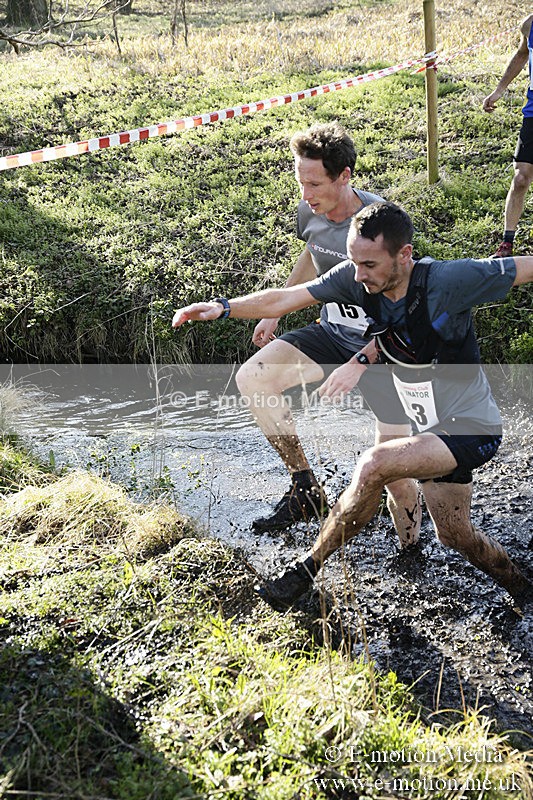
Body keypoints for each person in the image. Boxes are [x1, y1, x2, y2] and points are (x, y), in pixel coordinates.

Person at [172, 201, 533, 615]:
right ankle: (522, 588)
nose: (359, 275)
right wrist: (224, 307)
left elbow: (524, 268)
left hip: (471, 426)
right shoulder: (356, 277)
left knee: (375, 463)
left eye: (370, 264)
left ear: (404, 255)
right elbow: (286, 299)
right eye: (354, 262)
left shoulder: (450, 280)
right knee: (455, 536)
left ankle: (305, 571)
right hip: (427, 429)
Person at [234, 122, 421, 547]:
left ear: (344, 176)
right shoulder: (310, 211)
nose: (306, 194)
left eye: (315, 183)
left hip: (383, 348)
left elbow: (408, 304)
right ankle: (305, 489)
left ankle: (411, 549)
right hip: (333, 333)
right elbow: (312, 250)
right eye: (300, 182)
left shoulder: (380, 222)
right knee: (254, 378)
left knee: (393, 469)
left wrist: (363, 360)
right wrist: (278, 309)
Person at [483, 14, 533, 258]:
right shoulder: (529, 25)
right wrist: (499, 90)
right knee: (521, 178)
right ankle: (506, 244)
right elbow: (522, 54)